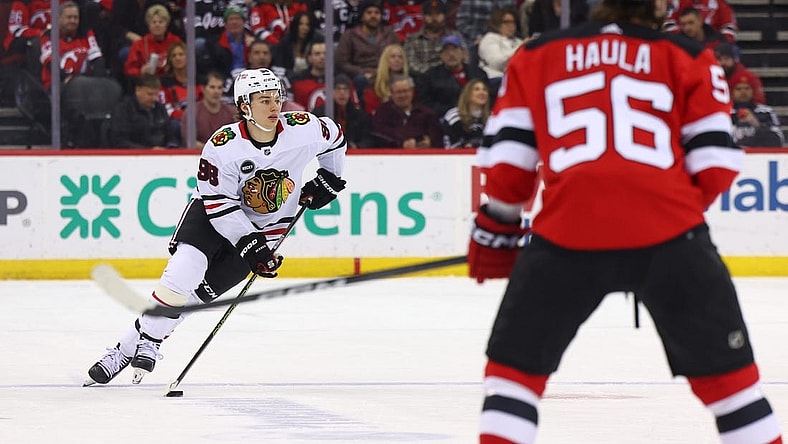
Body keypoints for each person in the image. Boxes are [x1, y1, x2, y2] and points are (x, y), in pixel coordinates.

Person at [468, 0, 784, 442]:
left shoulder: (537, 54)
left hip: (565, 235)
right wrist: (666, 212)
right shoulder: (691, 55)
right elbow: (714, 161)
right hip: (672, 236)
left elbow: (509, 164)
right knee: (733, 389)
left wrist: (496, 230)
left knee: (512, 378)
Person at [85, 68, 348, 386]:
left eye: (276, 98)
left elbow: (335, 137)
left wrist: (330, 178)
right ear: (245, 106)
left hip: (267, 229)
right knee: (182, 273)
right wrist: (250, 243)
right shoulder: (223, 145)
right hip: (212, 217)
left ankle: (129, 347)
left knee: (198, 297)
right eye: (264, 100)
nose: (274, 106)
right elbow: (221, 205)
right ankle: (150, 342)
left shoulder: (303, 129)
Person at [335, 0, 401, 98]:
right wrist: (362, 72)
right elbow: (342, 62)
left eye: (376, 13)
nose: (373, 16)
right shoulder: (349, 35)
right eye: (369, 13)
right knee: (360, 80)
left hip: (386, 74)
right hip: (360, 75)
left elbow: (399, 56)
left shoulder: (390, 35)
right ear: (362, 16)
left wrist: (382, 72)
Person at [39, 1, 106, 91]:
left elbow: (97, 58)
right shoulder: (49, 36)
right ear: (59, 19)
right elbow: (50, 63)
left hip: (84, 83)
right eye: (69, 17)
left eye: (75, 18)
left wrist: (98, 81)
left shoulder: (86, 34)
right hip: (58, 84)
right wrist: (67, 78)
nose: (73, 21)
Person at [416, 35, 489, 117]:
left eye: (455, 49)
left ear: (463, 52)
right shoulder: (429, 77)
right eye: (446, 50)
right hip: (445, 117)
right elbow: (426, 103)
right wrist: (454, 111)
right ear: (440, 55)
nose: (451, 54)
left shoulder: (478, 73)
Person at [370, 74, 443, 148]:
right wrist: (402, 144)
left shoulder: (427, 113)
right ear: (391, 93)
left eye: (405, 91)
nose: (402, 95)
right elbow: (379, 137)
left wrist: (430, 143)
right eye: (398, 92)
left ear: (412, 91)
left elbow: (438, 138)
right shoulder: (382, 113)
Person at [108, 73, 175, 148]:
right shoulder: (123, 109)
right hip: (134, 156)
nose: (154, 98)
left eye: (156, 94)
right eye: (150, 94)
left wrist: (170, 148)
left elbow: (171, 136)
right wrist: (149, 151)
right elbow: (119, 141)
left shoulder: (160, 109)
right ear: (138, 90)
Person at [403, 0, 463, 78]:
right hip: (424, 80)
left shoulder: (455, 35)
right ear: (423, 17)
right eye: (430, 14)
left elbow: (465, 58)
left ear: (444, 15)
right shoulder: (413, 39)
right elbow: (411, 64)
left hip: (453, 77)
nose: (434, 18)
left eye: (438, 14)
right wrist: (434, 74)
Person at [123, 4, 183, 81]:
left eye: (161, 22)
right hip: (149, 82)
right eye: (154, 22)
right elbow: (129, 70)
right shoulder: (139, 45)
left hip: (172, 81)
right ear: (149, 25)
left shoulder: (175, 41)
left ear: (166, 25)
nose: (157, 25)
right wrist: (140, 71)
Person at [159, 41, 202, 147]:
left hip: (199, 119)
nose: (177, 58)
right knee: (174, 125)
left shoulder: (199, 79)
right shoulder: (164, 82)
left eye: (181, 54)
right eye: (174, 56)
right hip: (177, 121)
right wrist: (184, 116)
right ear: (170, 60)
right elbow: (165, 107)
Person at [313, 74, 372, 148]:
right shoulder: (320, 113)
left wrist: (357, 146)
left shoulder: (359, 115)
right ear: (332, 91)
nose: (342, 93)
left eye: (345, 89)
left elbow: (368, 138)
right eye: (338, 89)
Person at [181, 71, 236, 149]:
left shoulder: (232, 113)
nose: (216, 91)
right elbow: (190, 142)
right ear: (203, 89)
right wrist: (212, 151)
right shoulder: (192, 112)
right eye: (212, 87)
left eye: (219, 88)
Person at [730, 71, 784, 148]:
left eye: (747, 88)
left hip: (759, 156)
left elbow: (779, 138)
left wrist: (757, 124)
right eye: (738, 89)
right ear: (732, 92)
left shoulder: (766, 112)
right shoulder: (725, 113)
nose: (743, 91)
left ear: (753, 91)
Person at [477, 7, 522, 97]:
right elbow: (497, 63)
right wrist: (519, 49)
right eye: (506, 22)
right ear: (497, 24)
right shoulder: (490, 38)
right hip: (495, 78)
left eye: (513, 22)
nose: (511, 25)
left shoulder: (518, 41)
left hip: (516, 77)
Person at [441, 78, 489, 148]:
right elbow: (450, 143)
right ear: (468, 94)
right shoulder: (454, 116)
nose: (482, 92)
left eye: (484, 90)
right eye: (477, 89)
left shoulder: (492, 117)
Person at [362, 42, 408, 114]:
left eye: (400, 57)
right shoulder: (374, 81)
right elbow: (371, 108)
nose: (397, 60)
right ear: (385, 60)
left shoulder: (410, 80)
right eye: (393, 56)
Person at [663, 0, 737, 43]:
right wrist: (682, 40)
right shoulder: (677, 2)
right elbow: (668, 23)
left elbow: (729, 27)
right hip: (683, 43)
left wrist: (719, 44)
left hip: (713, 45)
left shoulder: (720, 3)